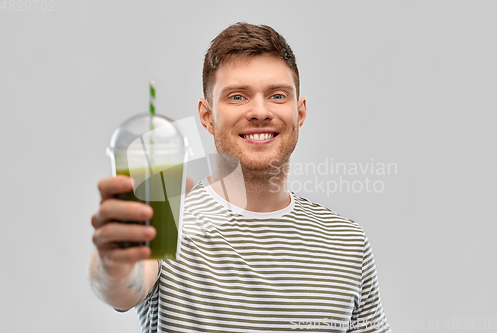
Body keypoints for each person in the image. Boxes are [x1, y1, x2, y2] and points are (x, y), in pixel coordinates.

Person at [90, 22, 391, 332]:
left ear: (299, 113)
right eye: (237, 97)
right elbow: (123, 288)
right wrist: (114, 260)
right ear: (208, 117)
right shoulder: (166, 220)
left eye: (277, 96)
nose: (260, 111)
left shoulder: (348, 242)